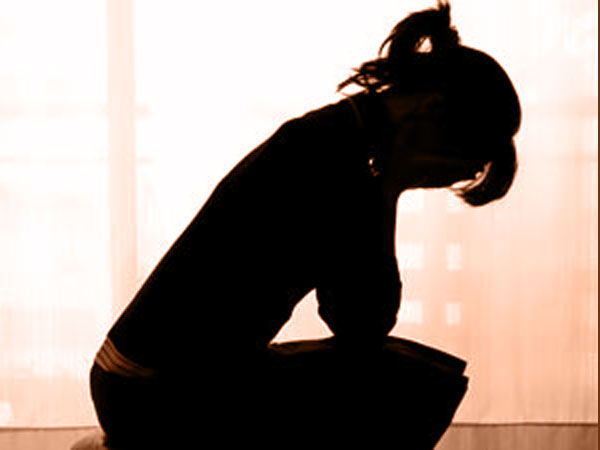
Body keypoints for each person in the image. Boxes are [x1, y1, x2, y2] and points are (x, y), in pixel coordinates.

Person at [90, 2, 521, 446]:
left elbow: (356, 318)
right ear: (431, 109)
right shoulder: (333, 156)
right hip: (151, 389)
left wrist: (386, 185)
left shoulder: (340, 139)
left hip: (147, 377)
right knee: (409, 384)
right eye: (449, 166)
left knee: (414, 371)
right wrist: (391, 186)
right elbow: (362, 321)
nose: (435, 180)